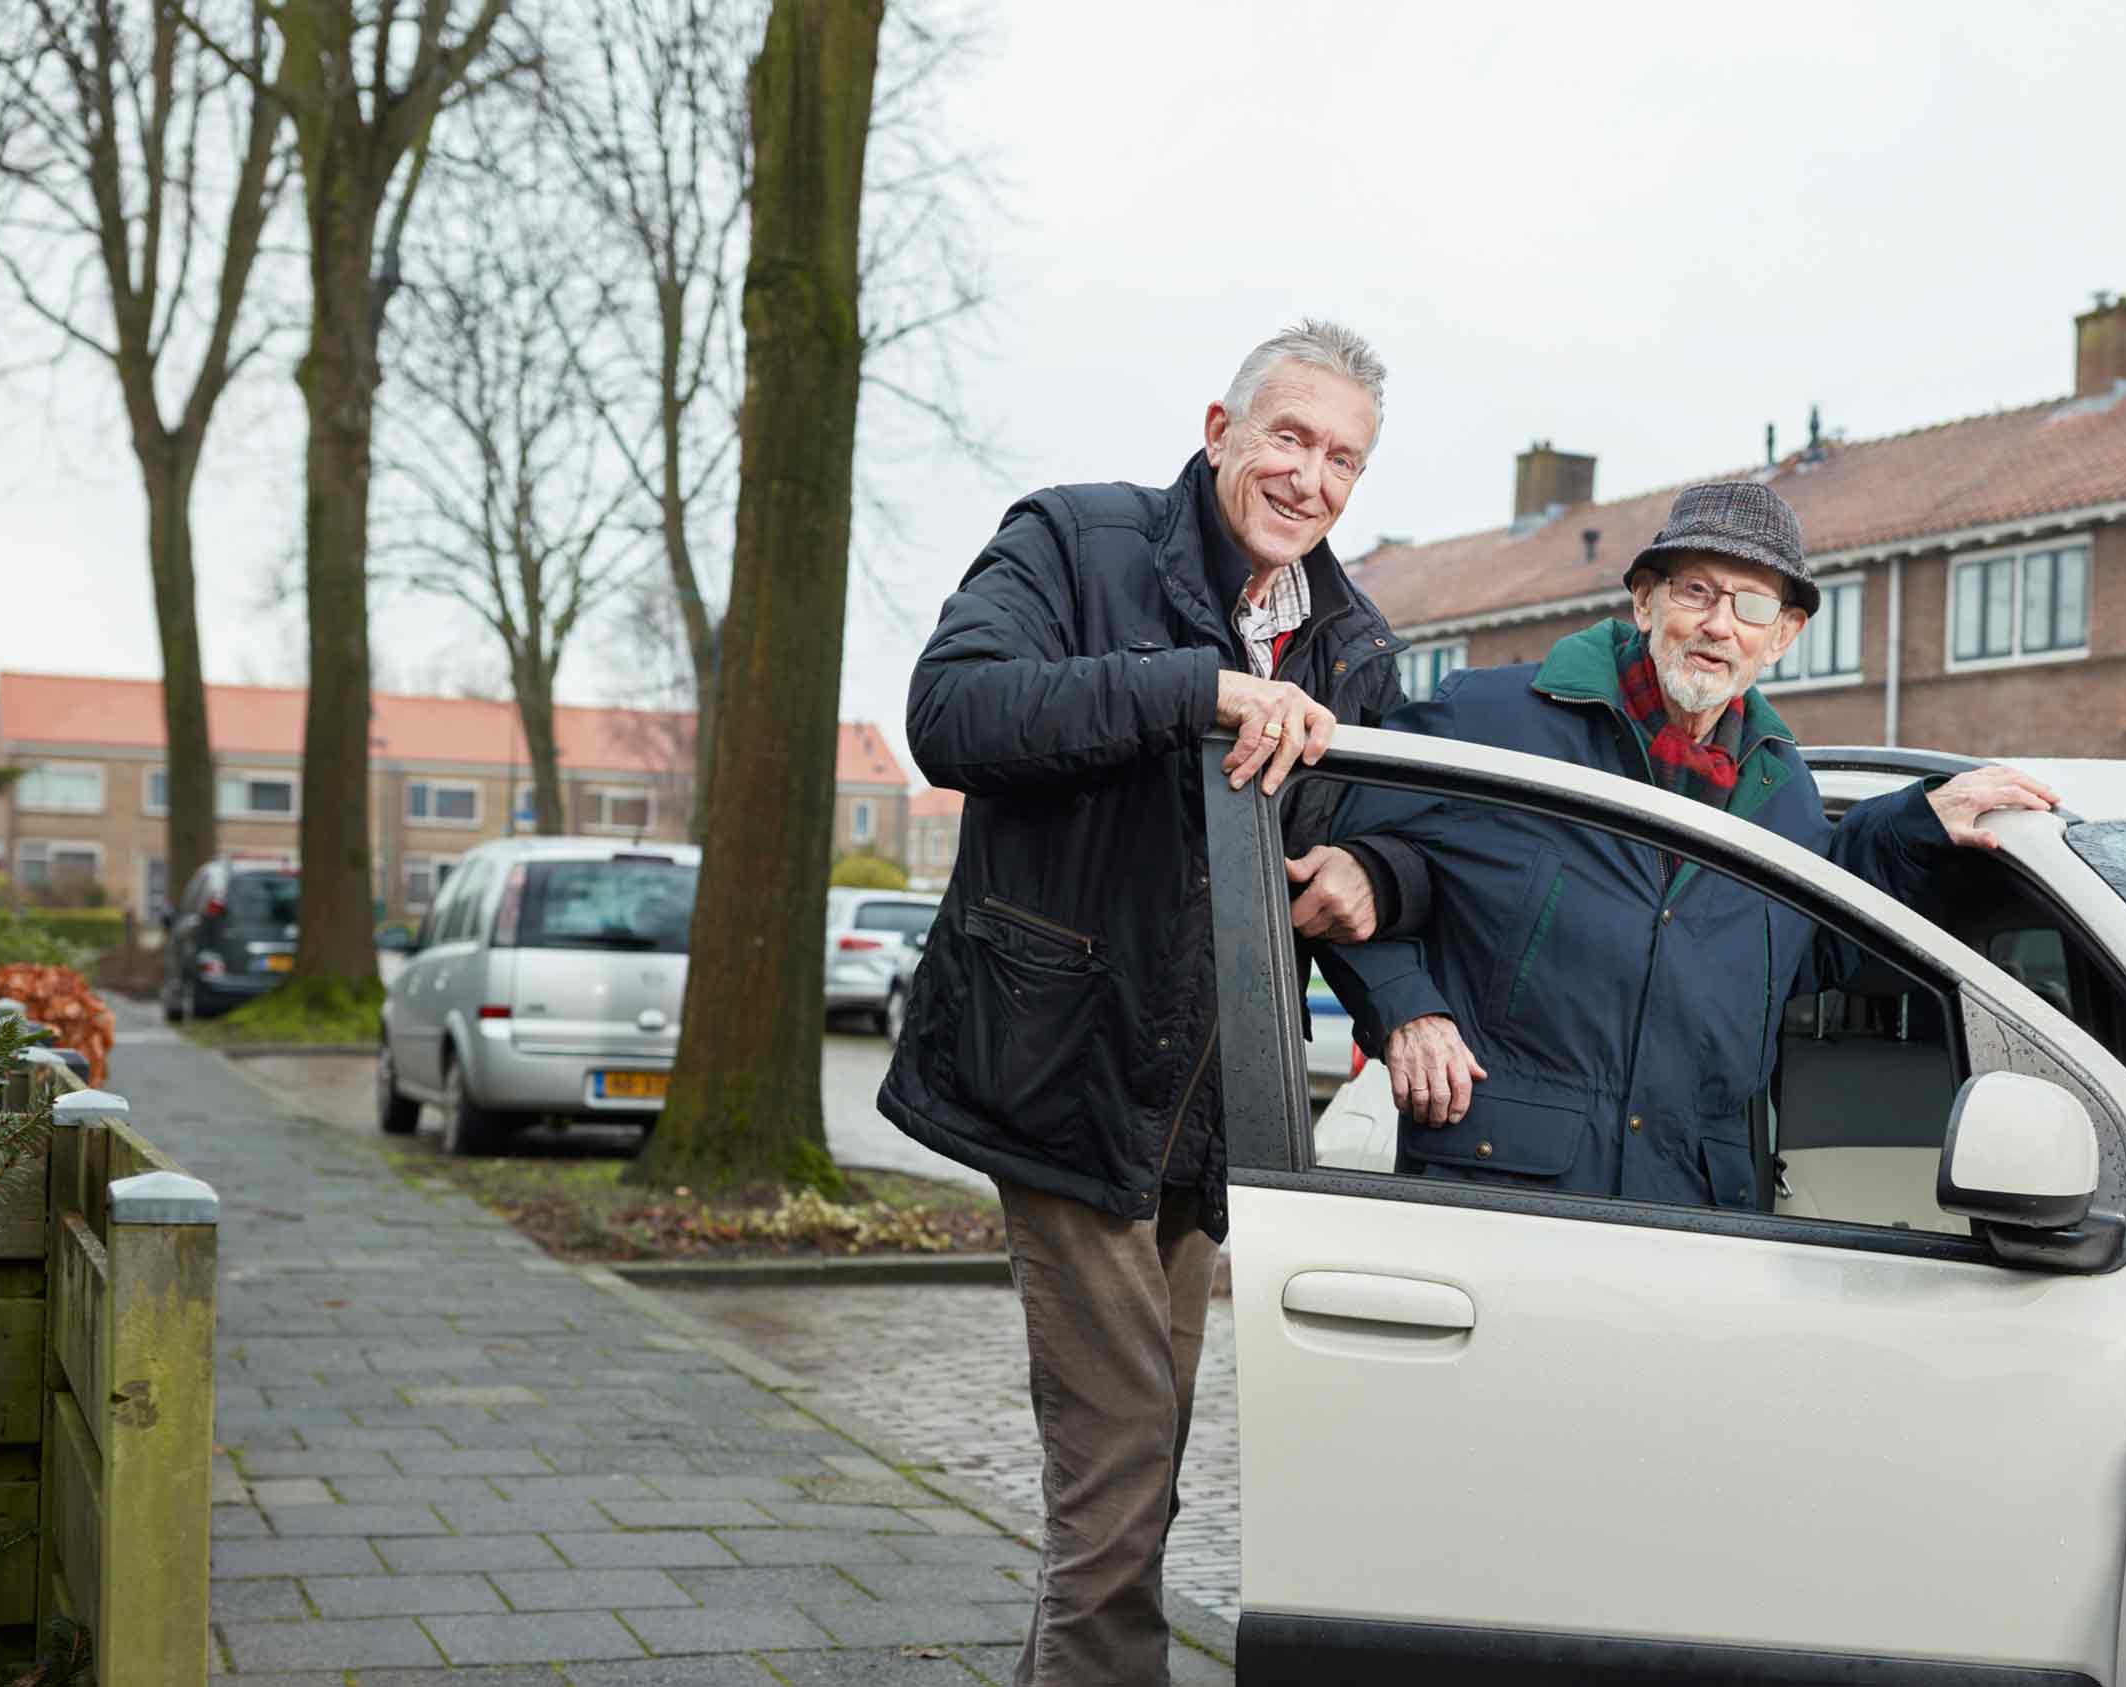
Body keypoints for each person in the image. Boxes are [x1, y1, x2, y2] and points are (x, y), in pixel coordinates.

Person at [879, 320, 1426, 1686]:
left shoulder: (1354, 649)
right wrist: (1197, 686)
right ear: (1219, 428)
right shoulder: (1076, 541)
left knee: (1140, 1465)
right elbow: (951, 712)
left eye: (1342, 458)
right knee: (1120, 1478)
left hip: (1204, 1110)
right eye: (1289, 437)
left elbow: (1393, 835)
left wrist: (1372, 871)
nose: (1309, 477)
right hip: (1061, 1072)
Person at [1321, 479, 2059, 1205]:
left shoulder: (1785, 798)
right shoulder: (1494, 719)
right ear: (1645, 600)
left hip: (1693, 1224)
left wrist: (1915, 829)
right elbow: (1331, 844)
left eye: (1752, 603)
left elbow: (1811, 944)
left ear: (1783, 635)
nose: (1719, 624)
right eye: (1697, 591)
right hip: (1505, 1201)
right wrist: (1405, 1009)